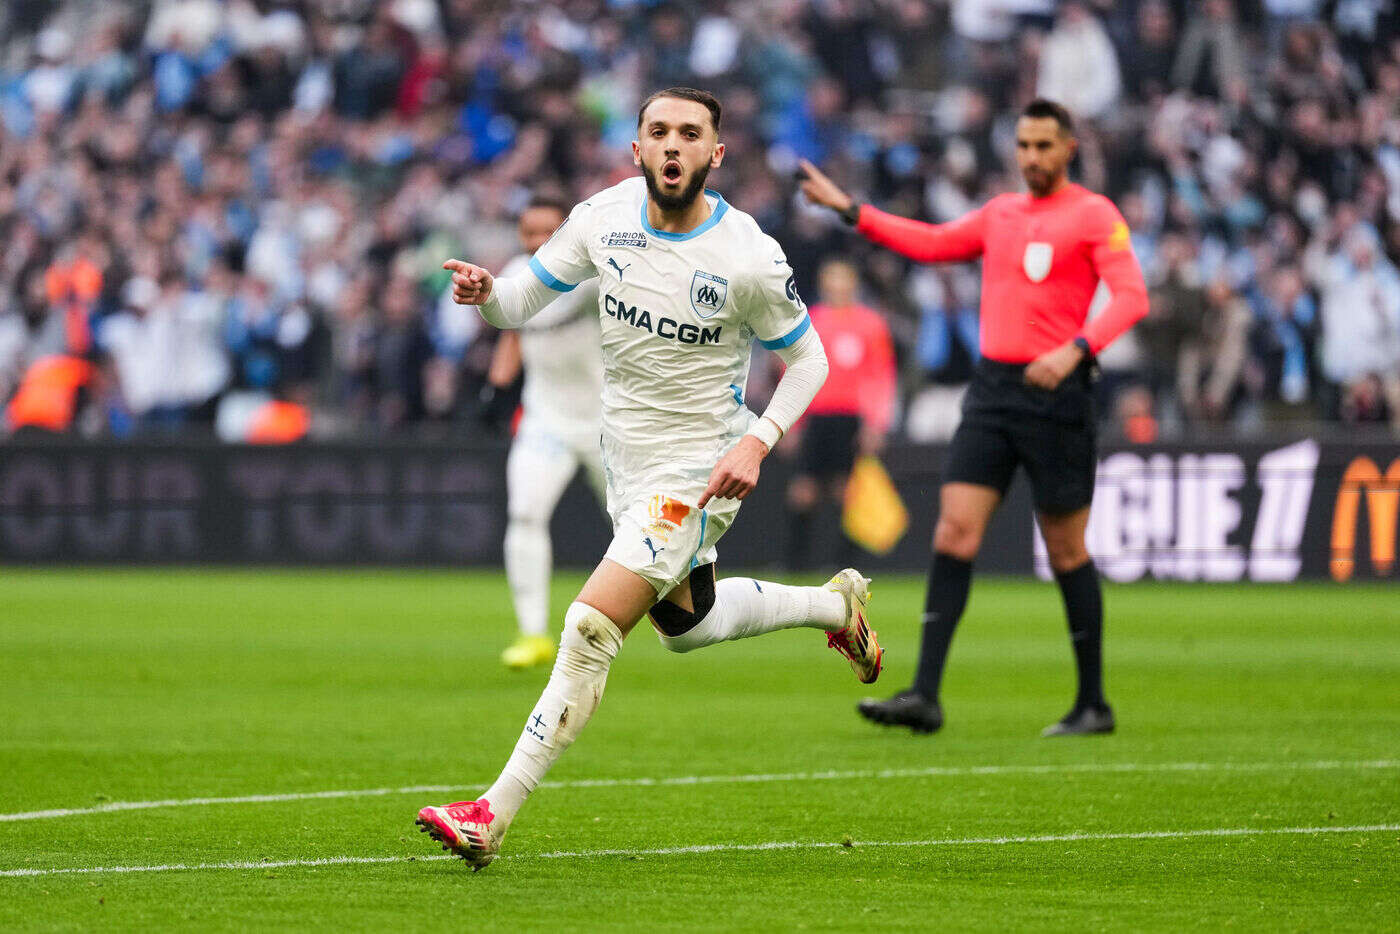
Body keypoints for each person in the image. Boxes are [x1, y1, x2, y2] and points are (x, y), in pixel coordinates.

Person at [416, 87, 883, 870]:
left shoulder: (747, 255)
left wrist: (760, 441)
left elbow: (810, 360)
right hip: (627, 461)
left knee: (591, 626)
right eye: (658, 131)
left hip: (699, 468)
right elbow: (525, 298)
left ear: (714, 153)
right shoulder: (602, 219)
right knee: (687, 626)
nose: (672, 144)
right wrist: (487, 295)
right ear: (637, 149)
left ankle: (489, 814)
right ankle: (837, 605)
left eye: (689, 133)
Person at [799, 98, 1149, 737]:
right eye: (1024, 145)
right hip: (992, 391)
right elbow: (933, 244)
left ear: (1069, 148)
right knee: (954, 533)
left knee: (1067, 549)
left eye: (1044, 146)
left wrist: (1076, 350)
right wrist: (852, 210)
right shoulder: (1001, 213)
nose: (1032, 158)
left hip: (1060, 394)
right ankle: (924, 695)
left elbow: (1132, 297)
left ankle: (1092, 703)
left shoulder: (1096, 215)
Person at [479, 195, 607, 669]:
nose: (536, 242)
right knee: (525, 516)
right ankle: (532, 633)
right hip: (545, 419)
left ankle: (668, 615)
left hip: (605, 421)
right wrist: (496, 390)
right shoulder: (516, 273)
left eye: (546, 232)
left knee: (634, 524)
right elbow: (514, 332)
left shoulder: (594, 276)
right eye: (527, 232)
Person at [785, 258, 897, 569]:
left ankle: (845, 566)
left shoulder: (870, 324)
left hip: (850, 418)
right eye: (831, 279)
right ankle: (796, 565)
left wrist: (876, 424)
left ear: (853, 283)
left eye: (843, 278)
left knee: (847, 492)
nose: (837, 286)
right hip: (817, 415)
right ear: (824, 284)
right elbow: (793, 371)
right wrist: (790, 422)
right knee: (803, 491)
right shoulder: (810, 321)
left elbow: (881, 376)